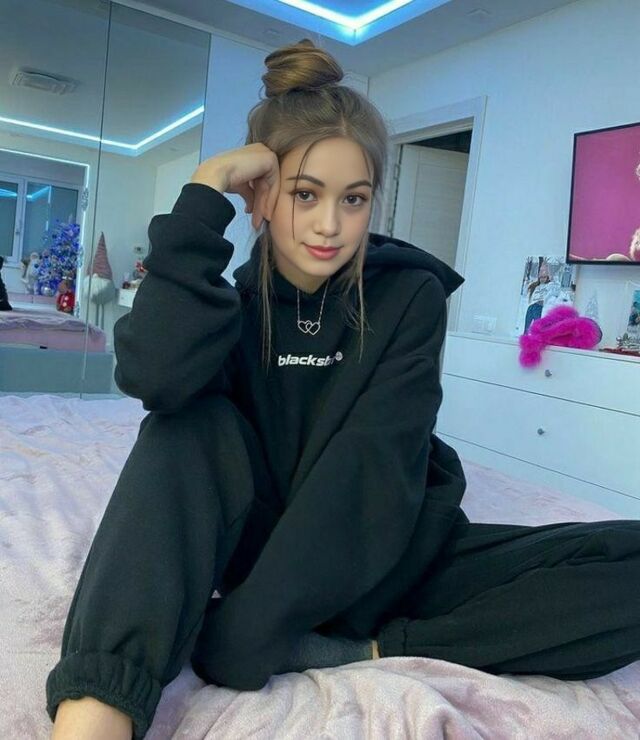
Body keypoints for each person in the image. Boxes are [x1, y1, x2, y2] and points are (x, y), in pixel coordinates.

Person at [46, 38, 640, 740]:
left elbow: (370, 471)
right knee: (183, 427)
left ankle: (366, 648)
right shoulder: (224, 305)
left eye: (353, 199)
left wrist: (248, 632)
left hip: (387, 549)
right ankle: (97, 712)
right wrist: (204, 196)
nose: (330, 225)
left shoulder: (408, 297)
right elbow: (152, 377)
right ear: (261, 194)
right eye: (305, 194)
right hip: (261, 549)